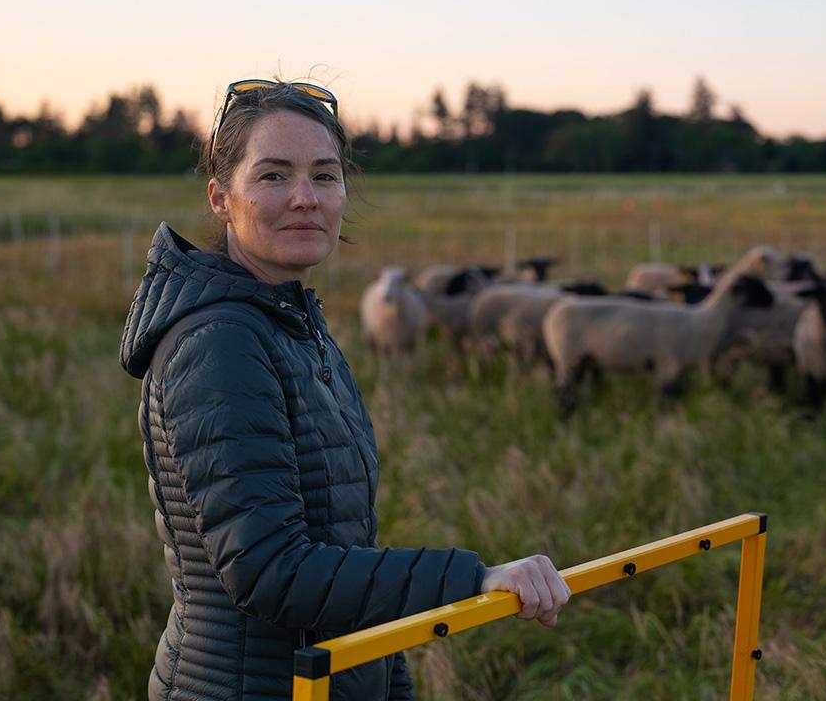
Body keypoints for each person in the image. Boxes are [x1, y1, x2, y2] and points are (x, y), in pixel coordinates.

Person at [119, 80, 570, 701]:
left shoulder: (292, 321)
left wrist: (389, 679)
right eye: (274, 176)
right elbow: (270, 569)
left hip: (329, 676)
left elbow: (342, 542)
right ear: (222, 199)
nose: (306, 199)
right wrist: (475, 579)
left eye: (325, 176)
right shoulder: (221, 343)